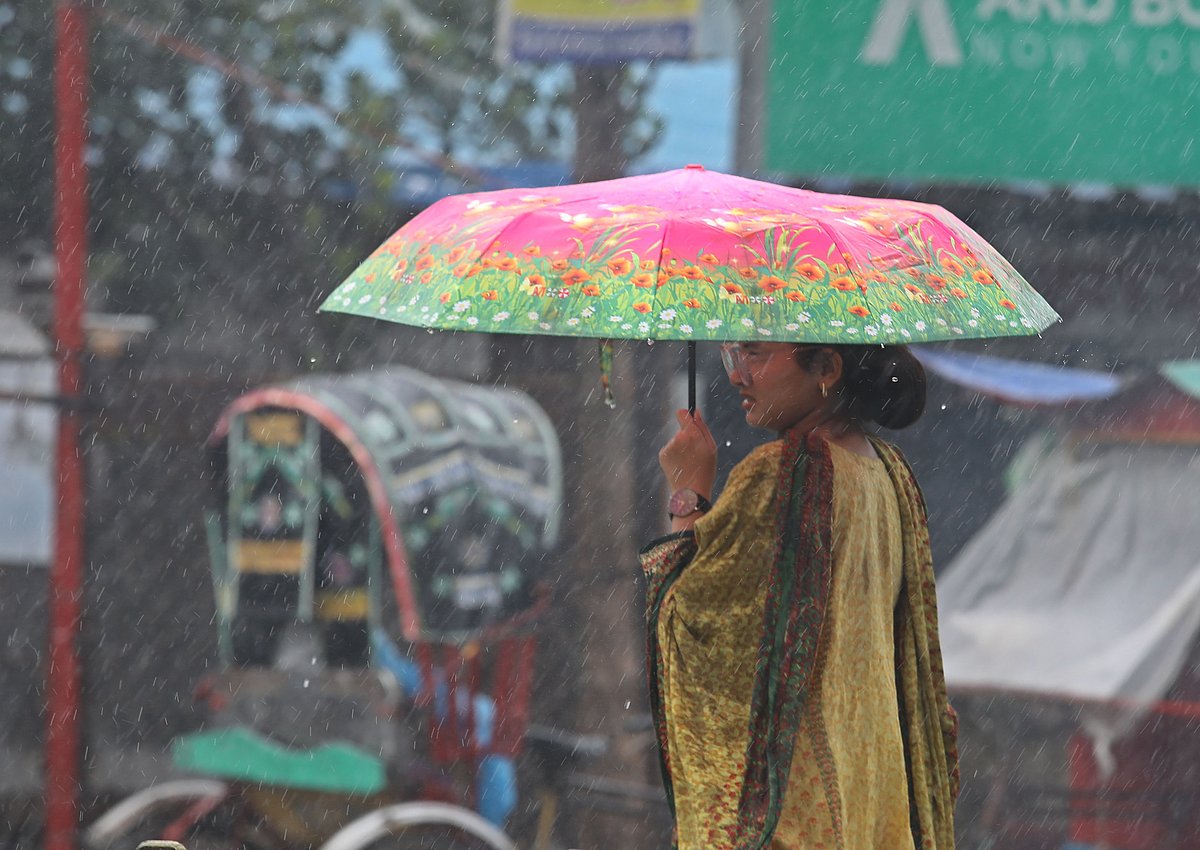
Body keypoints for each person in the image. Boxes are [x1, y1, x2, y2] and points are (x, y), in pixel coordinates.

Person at [641, 342, 959, 850]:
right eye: (732, 355)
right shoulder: (887, 474)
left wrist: (687, 491)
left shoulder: (783, 474)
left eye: (757, 354)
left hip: (796, 815)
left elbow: (690, 631)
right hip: (871, 800)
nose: (738, 375)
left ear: (827, 368)